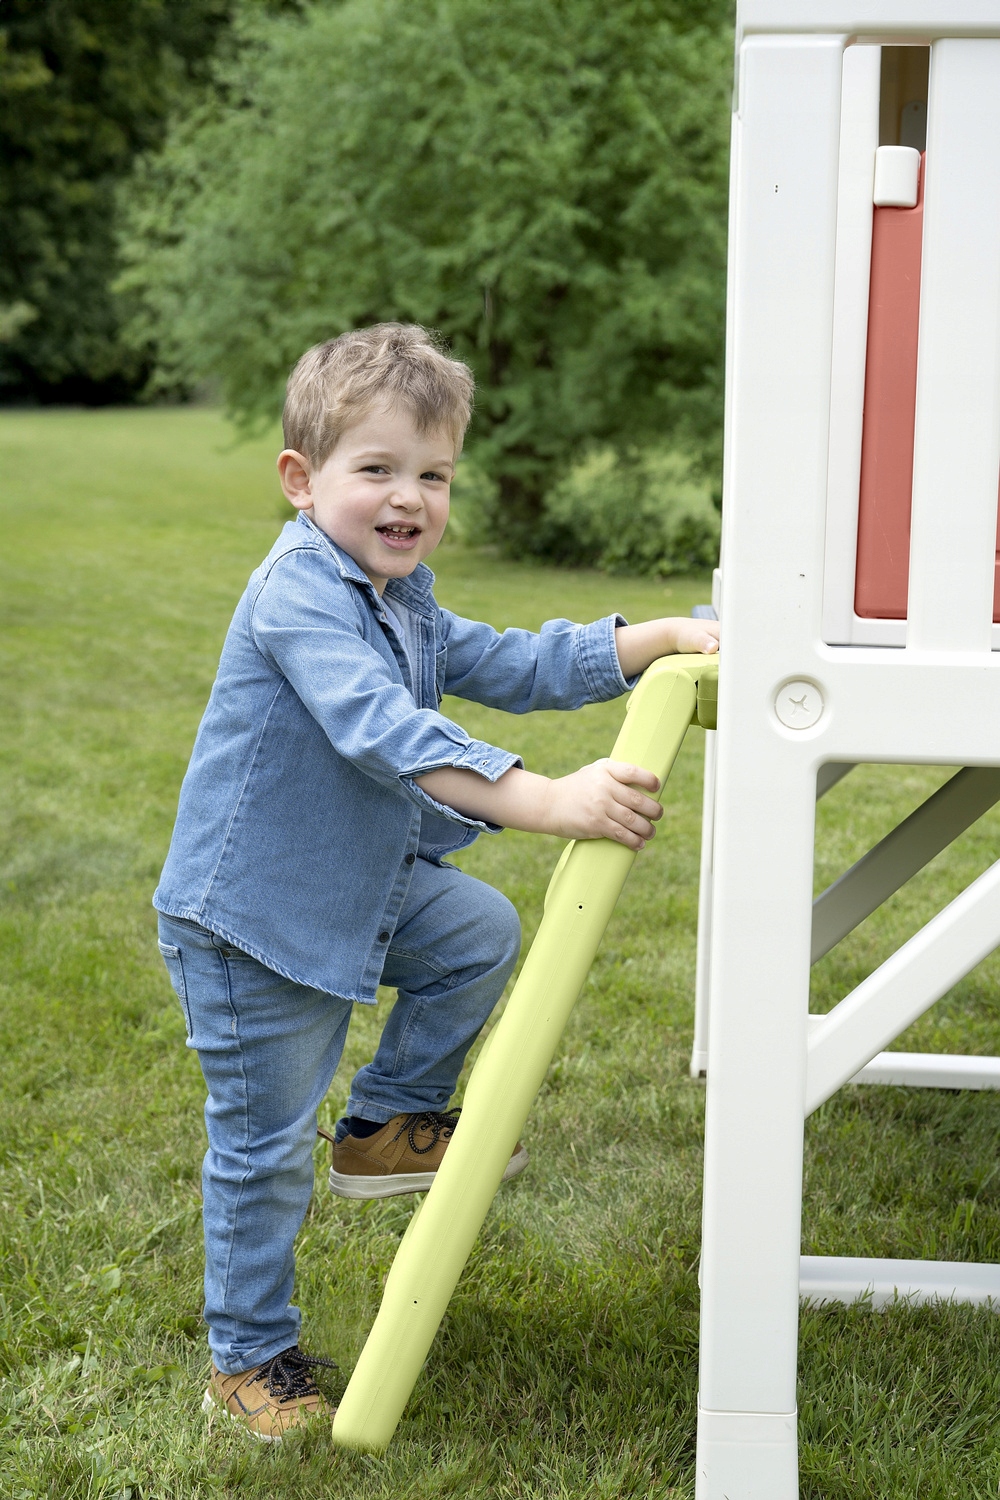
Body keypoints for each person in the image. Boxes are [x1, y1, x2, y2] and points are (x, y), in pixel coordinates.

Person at [154, 324, 719, 1441]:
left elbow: (513, 660)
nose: (409, 497)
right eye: (377, 468)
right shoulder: (299, 595)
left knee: (473, 930)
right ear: (301, 479)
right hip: (255, 919)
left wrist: (654, 637)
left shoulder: (401, 593)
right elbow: (383, 728)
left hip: (354, 886)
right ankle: (248, 1354)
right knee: (264, 1152)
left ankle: (388, 1122)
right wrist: (545, 798)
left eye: (434, 474)